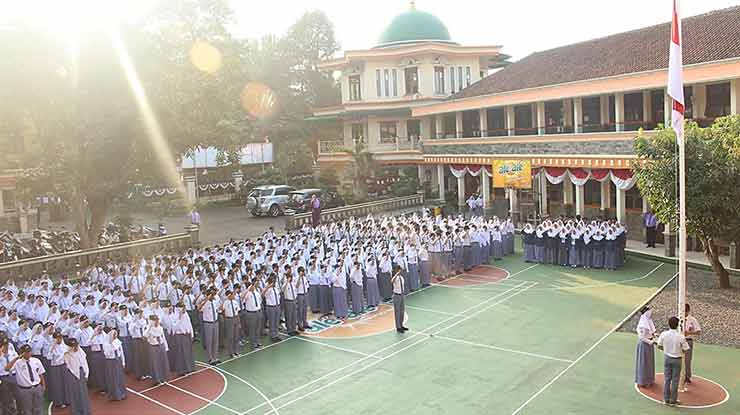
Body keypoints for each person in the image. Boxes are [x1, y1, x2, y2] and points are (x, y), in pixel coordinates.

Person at [656, 316, 690, 406]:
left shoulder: (664, 334)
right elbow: (686, 349)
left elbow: (659, 345)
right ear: (677, 325)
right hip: (677, 359)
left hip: (667, 358)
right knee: (675, 380)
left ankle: (666, 399)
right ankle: (673, 400)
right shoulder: (680, 337)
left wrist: (666, 350)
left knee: (667, 379)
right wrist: (680, 351)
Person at [6, 344, 45, 415]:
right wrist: (16, 358)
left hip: (37, 387)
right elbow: (7, 368)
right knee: (27, 410)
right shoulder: (17, 363)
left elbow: (40, 374)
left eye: (29, 351)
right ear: (22, 353)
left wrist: (43, 386)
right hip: (25, 390)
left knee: (38, 409)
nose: (29, 353)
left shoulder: (36, 360)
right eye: (26, 352)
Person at [63, 338, 92, 415]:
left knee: (83, 393)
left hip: (81, 373)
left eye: (76, 345)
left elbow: (84, 363)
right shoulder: (67, 354)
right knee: (74, 393)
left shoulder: (81, 352)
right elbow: (68, 366)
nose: (75, 347)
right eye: (73, 346)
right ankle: (76, 411)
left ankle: (85, 410)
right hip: (73, 375)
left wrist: (86, 374)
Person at [102, 329, 127, 401]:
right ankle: (116, 395)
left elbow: (121, 352)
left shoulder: (117, 341)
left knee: (120, 377)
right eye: (113, 334)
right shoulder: (106, 343)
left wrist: (123, 362)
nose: (115, 336)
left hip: (118, 361)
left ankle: (122, 393)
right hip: (111, 362)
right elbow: (107, 354)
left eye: (116, 334)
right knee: (113, 378)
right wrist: (111, 344)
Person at [198, 288, 221, 364]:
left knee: (215, 341)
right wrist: (205, 300)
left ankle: (215, 357)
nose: (213, 296)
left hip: (215, 322)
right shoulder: (205, 303)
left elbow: (218, 309)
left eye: (213, 294)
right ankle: (210, 358)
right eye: (211, 294)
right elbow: (199, 308)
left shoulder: (215, 302)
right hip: (208, 323)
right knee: (209, 341)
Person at [144, 315, 169, 385]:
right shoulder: (148, 328)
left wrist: (166, 347)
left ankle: (163, 377)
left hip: (161, 345)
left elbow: (163, 337)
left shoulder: (160, 328)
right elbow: (145, 335)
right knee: (155, 363)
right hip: (153, 346)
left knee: (162, 362)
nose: (156, 321)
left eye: (157, 320)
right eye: (155, 320)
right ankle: (157, 379)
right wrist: (149, 326)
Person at [635, 306, 656, 388]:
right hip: (645, 345)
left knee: (649, 362)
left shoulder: (647, 321)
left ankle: (649, 380)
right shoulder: (643, 324)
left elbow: (651, 331)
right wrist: (650, 341)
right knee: (644, 363)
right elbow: (641, 337)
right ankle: (643, 381)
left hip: (649, 344)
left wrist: (653, 336)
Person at [683, 303, 702, 385]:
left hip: (688, 340)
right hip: (679, 340)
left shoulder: (692, 320)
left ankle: (687, 377)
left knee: (687, 360)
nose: (684, 313)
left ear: (688, 311)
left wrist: (689, 332)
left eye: (685, 311)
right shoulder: (678, 318)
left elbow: (699, 331)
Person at [391, 267, 408, 333]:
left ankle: (401, 324)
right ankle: (398, 327)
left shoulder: (401, 278)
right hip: (396, 295)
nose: (400, 271)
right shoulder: (395, 278)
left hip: (401, 295)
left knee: (402, 311)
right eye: (399, 270)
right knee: (397, 312)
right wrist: (396, 274)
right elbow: (392, 281)